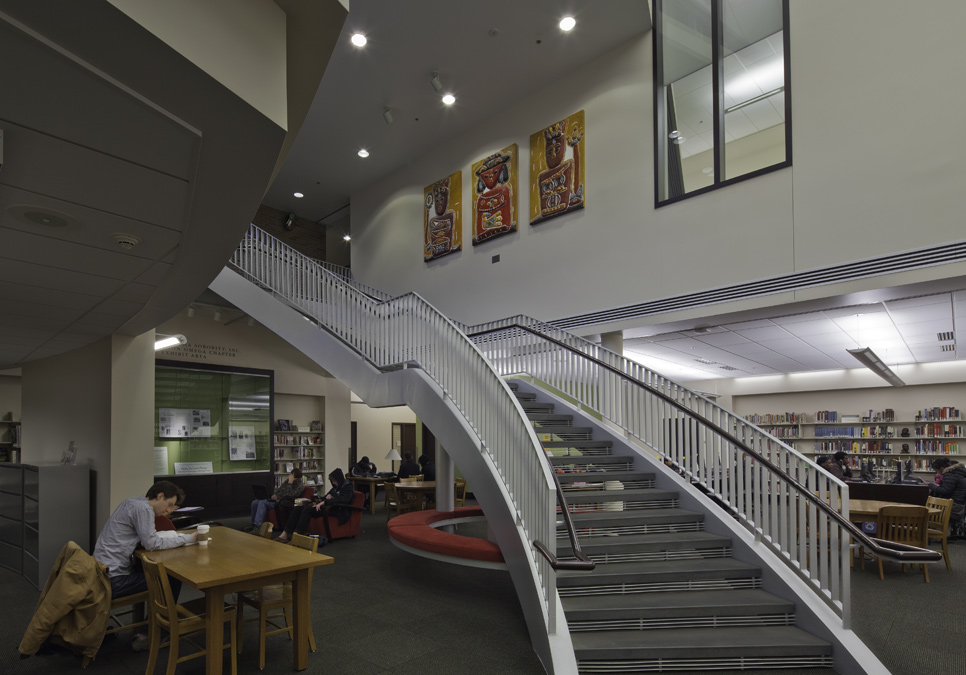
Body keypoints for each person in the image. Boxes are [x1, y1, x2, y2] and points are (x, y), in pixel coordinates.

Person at [93, 480, 199, 651]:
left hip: (99, 573)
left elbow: (146, 539)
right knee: (170, 578)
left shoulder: (131, 502)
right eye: (169, 504)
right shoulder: (144, 509)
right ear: (160, 496)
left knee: (148, 569)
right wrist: (188, 538)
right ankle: (151, 633)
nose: (169, 510)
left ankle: (146, 627)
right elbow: (152, 543)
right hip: (112, 581)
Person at [276, 468, 355, 542]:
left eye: (334, 481)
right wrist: (318, 500)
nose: (333, 483)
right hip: (327, 506)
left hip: (337, 509)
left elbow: (343, 500)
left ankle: (298, 535)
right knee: (299, 508)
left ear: (339, 479)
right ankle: (285, 533)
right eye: (332, 481)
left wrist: (326, 501)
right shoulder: (336, 487)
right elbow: (325, 497)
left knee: (307, 510)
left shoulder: (347, 487)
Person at [929, 458, 966, 537]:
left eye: (937, 471)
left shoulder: (950, 474)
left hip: (954, 507)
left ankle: (935, 535)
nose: (937, 473)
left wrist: (931, 485)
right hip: (960, 505)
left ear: (942, 468)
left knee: (928, 507)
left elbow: (945, 491)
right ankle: (943, 534)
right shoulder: (959, 472)